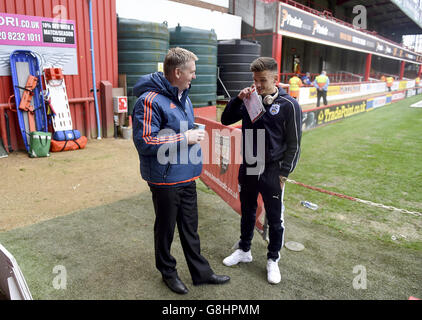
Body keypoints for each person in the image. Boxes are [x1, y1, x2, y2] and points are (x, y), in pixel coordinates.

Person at [132, 47, 230, 295]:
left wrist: (189, 136)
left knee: (190, 228)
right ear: (177, 72)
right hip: (164, 180)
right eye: (192, 72)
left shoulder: (183, 95)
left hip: (187, 176)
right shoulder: (148, 101)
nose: (194, 76)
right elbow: (145, 141)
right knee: (165, 230)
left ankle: (202, 273)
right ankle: (168, 273)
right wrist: (184, 137)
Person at [221, 57, 302, 284]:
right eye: (255, 80)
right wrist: (238, 99)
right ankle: (244, 250)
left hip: (273, 170)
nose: (257, 85)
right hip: (249, 164)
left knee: (275, 218)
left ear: (276, 78)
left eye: (263, 80)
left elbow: (294, 143)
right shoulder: (249, 99)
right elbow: (226, 119)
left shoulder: (289, 105)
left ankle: (273, 259)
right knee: (247, 210)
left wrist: (284, 173)